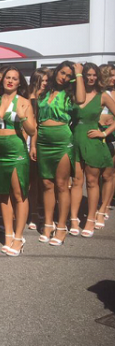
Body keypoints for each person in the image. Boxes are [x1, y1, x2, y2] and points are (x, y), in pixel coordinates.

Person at [32, 61, 85, 246]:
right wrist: (33, 145)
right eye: (63, 73)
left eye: (68, 75)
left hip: (63, 141)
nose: (64, 77)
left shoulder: (70, 93)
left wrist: (79, 74)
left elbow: (81, 99)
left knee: (62, 185)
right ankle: (48, 223)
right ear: (56, 72)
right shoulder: (44, 92)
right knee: (46, 184)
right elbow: (36, 120)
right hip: (43, 141)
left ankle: (61, 226)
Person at [68, 63, 115, 237]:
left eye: (94, 75)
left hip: (92, 140)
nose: (91, 78)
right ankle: (73, 218)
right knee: (76, 181)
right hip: (74, 139)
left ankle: (91, 219)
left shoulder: (102, 96)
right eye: (87, 74)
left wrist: (103, 132)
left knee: (92, 182)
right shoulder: (74, 94)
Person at [0, 68, 36, 256]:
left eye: (14, 79)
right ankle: (8, 235)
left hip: (16, 150)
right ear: (2, 80)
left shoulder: (24, 102)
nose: (10, 81)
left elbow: (32, 130)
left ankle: (19, 237)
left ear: (20, 83)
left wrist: (23, 117)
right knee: (3, 195)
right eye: (8, 78)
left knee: (19, 194)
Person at [27, 68, 50, 230]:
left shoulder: (48, 97)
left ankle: (42, 210)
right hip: (29, 139)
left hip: (46, 139)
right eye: (41, 80)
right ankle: (33, 213)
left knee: (46, 180)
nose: (44, 84)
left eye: (47, 81)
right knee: (32, 180)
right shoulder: (27, 96)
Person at [96, 64, 115, 229]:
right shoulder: (96, 93)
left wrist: (107, 126)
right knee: (95, 177)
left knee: (109, 174)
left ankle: (104, 207)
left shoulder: (111, 94)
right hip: (94, 137)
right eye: (111, 75)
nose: (114, 79)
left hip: (110, 137)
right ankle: (99, 205)